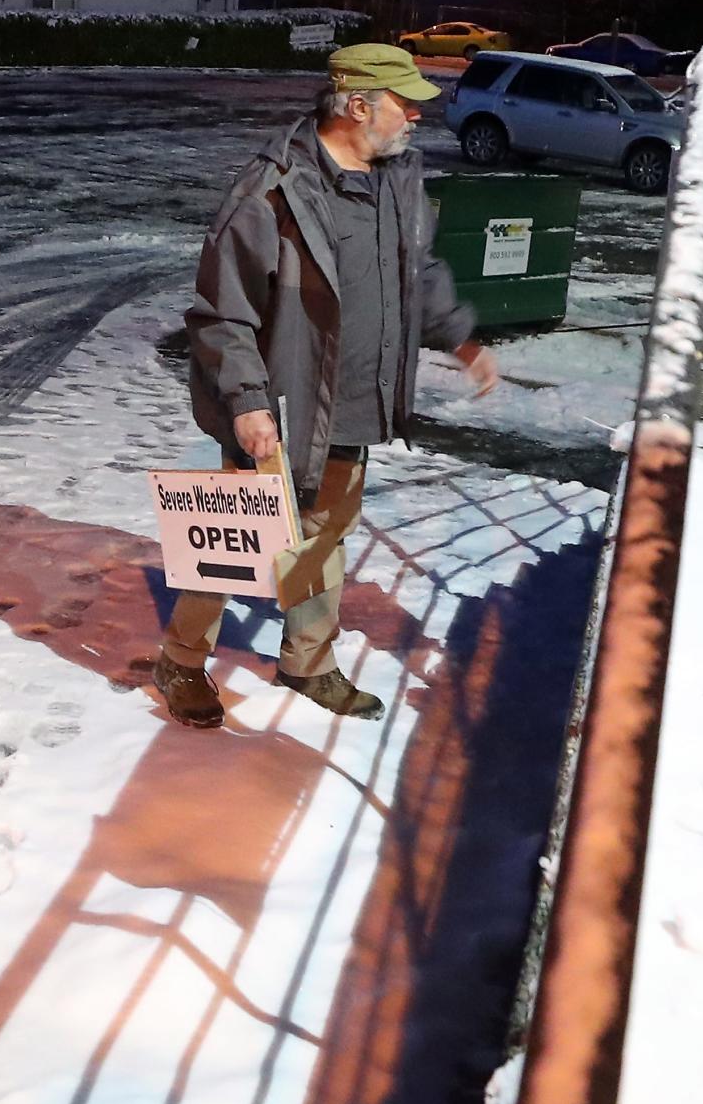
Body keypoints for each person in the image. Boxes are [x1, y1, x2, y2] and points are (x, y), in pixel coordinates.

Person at [153, 43, 499, 730]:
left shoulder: (398, 177)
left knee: (323, 537)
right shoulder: (270, 191)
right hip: (277, 406)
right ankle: (182, 659)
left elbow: (419, 270)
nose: (415, 117)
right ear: (358, 106)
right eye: (404, 104)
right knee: (241, 543)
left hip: (356, 402)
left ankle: (308, 661)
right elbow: (221, 314)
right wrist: (247, 404)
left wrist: (459, 337)